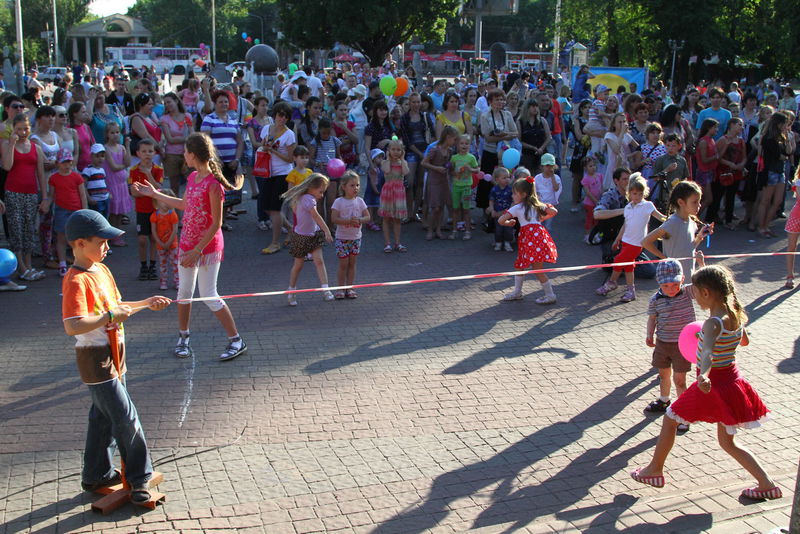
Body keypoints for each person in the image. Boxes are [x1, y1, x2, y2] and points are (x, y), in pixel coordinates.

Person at [631, 265, 781, 501]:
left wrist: (703, 375)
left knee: (670, 419)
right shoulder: (735, 315)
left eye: (695, 292)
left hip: (712, 384)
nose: (694, 297)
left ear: (706, 293)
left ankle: (654, 471)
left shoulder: (713, 323)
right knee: (728, 443)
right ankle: (766, 484)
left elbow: (707, 354)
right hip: (732, 380)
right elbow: (744, 342)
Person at [61, 209, 171, 505]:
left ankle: (95, 474)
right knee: (126, 418)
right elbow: (73, 325)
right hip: (95, 358)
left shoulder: (102, 270)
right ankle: (139, 478)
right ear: (80, 243)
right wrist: (110, 314)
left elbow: (118, 306)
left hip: (116, 351)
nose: (108, 247)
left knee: (102, 418)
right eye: (102, 242)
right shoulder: (75, 280)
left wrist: (146, 304)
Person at [133, 133, 247, 362]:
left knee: (208, 294)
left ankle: (236, 340)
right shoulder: (193, 177)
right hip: (187, 243)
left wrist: (197, 251)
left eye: (185, 151)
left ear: (192, 154)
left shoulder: (214, 185)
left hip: (207, 248)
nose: (183, 155)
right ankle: (183, 338)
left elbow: (216, 223)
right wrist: (155, 194)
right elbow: (184, 205)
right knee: (184, 293)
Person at [643, 258, 703, 432]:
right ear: (659, 284)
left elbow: (704, 283)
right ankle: (664, 399)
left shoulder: (687, 292)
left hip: (682, 345)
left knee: (680, 380)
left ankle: (684, 412)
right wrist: (649, 334)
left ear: (682, 279)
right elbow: (652, 318)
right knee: (663, 375)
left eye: (675, 284)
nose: (671, 289)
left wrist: (700, 263)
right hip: (662, 342)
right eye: (666, 286)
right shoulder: (655, 299)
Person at [596, 173, 666, 302]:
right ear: (630, 193)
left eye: (640, 193)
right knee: (628, 267)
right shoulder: (628, 207)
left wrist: (670, 220)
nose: (637, 196)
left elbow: (660, 216)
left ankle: (611, 282)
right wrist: (618, 239)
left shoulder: (647, 206)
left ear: (644, 193)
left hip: (637, 243)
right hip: (626, 241)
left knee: (618, 260)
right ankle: (631, 290)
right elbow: (625, 224)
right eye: (634, 194)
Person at [498, 176, 558, 304]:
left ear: (523, 194)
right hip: (538, 239)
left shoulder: (518, 207)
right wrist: (542, 218)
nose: (512, 196)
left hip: (530, 241)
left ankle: (550, 294)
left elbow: (500, 220)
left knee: (534, 268)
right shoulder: (537, 206)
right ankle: (518, 292)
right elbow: (554, 211)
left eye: (515, 193)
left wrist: (509, 223)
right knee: (523, 266)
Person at [2, 115, 47, 281]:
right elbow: (6, 166)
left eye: (25, 128)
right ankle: (21, 267)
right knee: (16, 229)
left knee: (29, 229)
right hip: (13, 192)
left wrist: (45, 197)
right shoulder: (7, 145)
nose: (22, 132)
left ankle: (28, 266)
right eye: (19, 129)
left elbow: (41, 174)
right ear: (13, 129)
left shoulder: (36, 147)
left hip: (31, 193)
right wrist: (12, 143)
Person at [281, 173, 335, 305]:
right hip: (302, 237)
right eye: (320, 191)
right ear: (312, 187)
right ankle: (291, 291)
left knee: (319, 261)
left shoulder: (301, 198)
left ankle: (325, 289)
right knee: (298, 265)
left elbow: (297, 212)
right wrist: (327, 231)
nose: (322, 195)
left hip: (313, 235)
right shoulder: (308, 199)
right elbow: (316, 216)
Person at [642, 180, 711, 277]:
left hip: (688, 278)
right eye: (695, 202)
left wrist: (699, 237)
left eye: (699, 201)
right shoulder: (672, 222)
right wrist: (665, 259)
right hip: (673, 280)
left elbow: (688, 248)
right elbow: (646, 242)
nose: (699, 205)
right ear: (681, 202)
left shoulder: (691, 222)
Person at [260, 102, 296, 254]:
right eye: (280, 115)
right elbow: (261, 146)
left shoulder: (289, 134)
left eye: (285, 116)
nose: (282, 118)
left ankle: (275, 243)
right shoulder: (266, 129)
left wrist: (273, 151)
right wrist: (264, 147)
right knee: (266, 207)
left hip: (283, 173)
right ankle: (291, 229)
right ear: (274, 115)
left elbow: (290, 159)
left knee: (275, 209)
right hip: (268, 171)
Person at [45, 149, 87, 276]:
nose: (66, 165)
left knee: (77, 238)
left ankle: (79, 262)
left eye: (69, 162)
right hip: (61, 210)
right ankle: (62, 264)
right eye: (63, 162)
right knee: (61, 237)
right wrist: (46, 204)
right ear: (58, 163)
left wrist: (84, 211)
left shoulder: (76, 176)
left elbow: (82, 195)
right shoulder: (54, 178)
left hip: (76, 210)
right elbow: (51, 195)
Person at [331, 171, 369, 299]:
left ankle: (350, 287)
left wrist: (359, 220)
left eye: (357, 185)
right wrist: (348, 221)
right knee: (343, 264)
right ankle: (340, 289)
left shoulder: (360, 201)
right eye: (352, 185)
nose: (356, 188)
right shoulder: (338, 202)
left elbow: (368, 217)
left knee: (352, 264)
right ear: (343, 186)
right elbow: (334, 219)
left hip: (356, 238)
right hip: (342, 238)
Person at [128, 140, 162, 281]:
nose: (147, 154)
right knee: (142, 239)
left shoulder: (158, 170)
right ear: (138, 153)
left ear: (154, 153)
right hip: (141, 209)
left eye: (150, 151)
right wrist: (150, 192)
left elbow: (158, 188)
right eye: (144, 151)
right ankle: (143, 265)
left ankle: (153, 265)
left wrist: (148, 175)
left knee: (154, 238)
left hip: (155, 209)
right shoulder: (133, 170)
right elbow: (134, 192)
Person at [757, 111, 792, 237]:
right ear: (778, 124)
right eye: (784, 123)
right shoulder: (768, 138)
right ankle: (761, 227)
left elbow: (788, 153)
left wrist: (787, 139)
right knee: (765, 200)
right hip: (770, 171)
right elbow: (779, 155)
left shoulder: (782, 138)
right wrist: (784, 156)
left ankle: (767, 225)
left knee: (777, 201)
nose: (786, 126)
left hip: (780, 171)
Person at [708, 118, 747, 228]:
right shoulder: (722, 139)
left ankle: (728, 220)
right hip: (722, 172)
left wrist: (742, 165)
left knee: (731, 196)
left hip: (735, 173)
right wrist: (730, 164)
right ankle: (709, 219)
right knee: (717, 196)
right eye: (739, 124)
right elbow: (718, 157)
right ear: (731, 125)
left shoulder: (741, 141)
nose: (741, 127)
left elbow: (744, 156)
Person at [422, 127, 457, 241]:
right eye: (454, 139)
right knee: (435, 207)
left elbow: (449, 167)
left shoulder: (450, 151)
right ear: (448, 137)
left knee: (441, 206)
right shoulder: (434, 150)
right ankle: (430, 230)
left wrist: (454, 172)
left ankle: (438, 229)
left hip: (443, 180)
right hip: (434, 181)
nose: (455, 142)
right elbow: (424, 163)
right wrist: (436, 168)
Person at [102, 122, 131, 246]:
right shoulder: (106, 148)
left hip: (121, 184)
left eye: (117, 132)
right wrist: (123, 166)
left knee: (119, 211)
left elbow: (128, 162)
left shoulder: (122, 147)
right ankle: (110, 235)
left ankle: (117, 235)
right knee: (113, 211)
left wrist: (128, 146)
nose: (115, 135)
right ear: (107, 134)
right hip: (112, 183)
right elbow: (114, 167)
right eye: (112, 132)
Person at [379, 139, 410, 252]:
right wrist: (388, 158)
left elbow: (406, 172)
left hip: (398, 193)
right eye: (393, 149)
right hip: (388, 191)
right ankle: (387, 243)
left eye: (398, 150)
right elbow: (386, 170)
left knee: (397, 219)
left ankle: (397, 243)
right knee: (386, 218)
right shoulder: (385, 162)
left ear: (402, 151)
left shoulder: (403, 162)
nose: (395, 152)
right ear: (388, 150)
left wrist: (402, 160)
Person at [159, 93, 192, 196]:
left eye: (169, 102)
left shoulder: (187, 116)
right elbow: (170, 139)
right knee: (174, 185)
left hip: (187, 153)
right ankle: (175, 210)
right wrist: (185, 139)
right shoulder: (165, 118)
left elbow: (192, 134)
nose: (167, 105)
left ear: (176, 101)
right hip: (171, 155)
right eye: (165, 103)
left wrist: (179, 139)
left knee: (191, 183)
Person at [450, 134, 479, 240]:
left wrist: (470, 169)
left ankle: (467, 231)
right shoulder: (454, 158)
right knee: (455, 209)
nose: (464, 145)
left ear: (470, 145)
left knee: (466, 209)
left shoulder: (471, 157)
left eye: (466, 143)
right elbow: (451, 170)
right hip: (456, 186)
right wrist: (455, 172)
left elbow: (477, 170)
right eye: (461, 143)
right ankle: (454, 230)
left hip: (467, 186)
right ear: (457, 145)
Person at [149, 190, 180, 291]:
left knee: (175, 263)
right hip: (160, 244)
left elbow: (175, 230)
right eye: (163, 200)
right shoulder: (154, 215)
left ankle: (177, 281)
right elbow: (153, 230)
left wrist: (169, 242)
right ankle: (163, 281)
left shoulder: (173, 214)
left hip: (173, 243)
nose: (166, 203)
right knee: (162, 264)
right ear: (157, 201)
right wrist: (160, 242)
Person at [695, 118, 720, 220]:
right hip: (703, 172)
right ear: (709, 128)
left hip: (710, 172)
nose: (717, 130)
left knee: (704, 198)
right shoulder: (703, 141)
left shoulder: (711, 140)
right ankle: (695, 218)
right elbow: (704, 159)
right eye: (715, 127)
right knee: (708, 199)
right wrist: (716, 157)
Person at [487, 166, 514, 251]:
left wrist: (511, 210)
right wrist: (492, 209)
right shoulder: (494, 189)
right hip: (497, 213)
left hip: (508, 213)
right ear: (497, 179)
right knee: (498, 229)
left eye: (508, 177)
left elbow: (513, 200)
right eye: (504, 178)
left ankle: (507, 242)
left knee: (508, 229)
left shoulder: (510, 189)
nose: (507, 180)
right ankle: (498, 242)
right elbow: (491, 200)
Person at [533, 153, 562, 230]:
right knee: (538, 221)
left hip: (550, 204)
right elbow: (534, 189)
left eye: (551, 166)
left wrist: (552, 177)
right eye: (547, 166)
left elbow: (556, 188)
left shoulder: (556, 178)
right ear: (542, 167)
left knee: (548, 223)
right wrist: (536, 197)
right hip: (540, 203)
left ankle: (547, 234)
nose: (550, 168)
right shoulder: (537, 177)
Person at [82, 144, 110, 218]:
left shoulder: (102, 170)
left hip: (105, 199)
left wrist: (108, 193)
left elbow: (103, 183)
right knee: (96, 220)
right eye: (97, 156)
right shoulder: (87, 170)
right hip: (95, 201)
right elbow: (83, 185)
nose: (100, 159)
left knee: (105, 218)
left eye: (102, 156)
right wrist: (89, 198)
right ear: (91, 156)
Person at [580, 156, 603, 244]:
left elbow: (601, 187)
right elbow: (587, 192)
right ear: (585, 168)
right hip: (590, 203)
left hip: (598, 202)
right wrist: (595, 201)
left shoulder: (599, 176)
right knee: (590, 219)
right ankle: (587, 235)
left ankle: (596, 235)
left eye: (594, 165)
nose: (593, 168)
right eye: (590, 166)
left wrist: (601, 198)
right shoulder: (585, 179)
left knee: (597, 220)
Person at [364, 148, 384, 232]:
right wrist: (376, 190)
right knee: (371, 206)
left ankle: (376, 221)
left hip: (378, 189)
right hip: (372, 190)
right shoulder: (372, 169)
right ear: (373, 159)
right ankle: (370, 221)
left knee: (377, 206)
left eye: (382, 157)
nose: (381, 160)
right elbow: (372, 181)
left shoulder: (380, 168)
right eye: (378, 157)